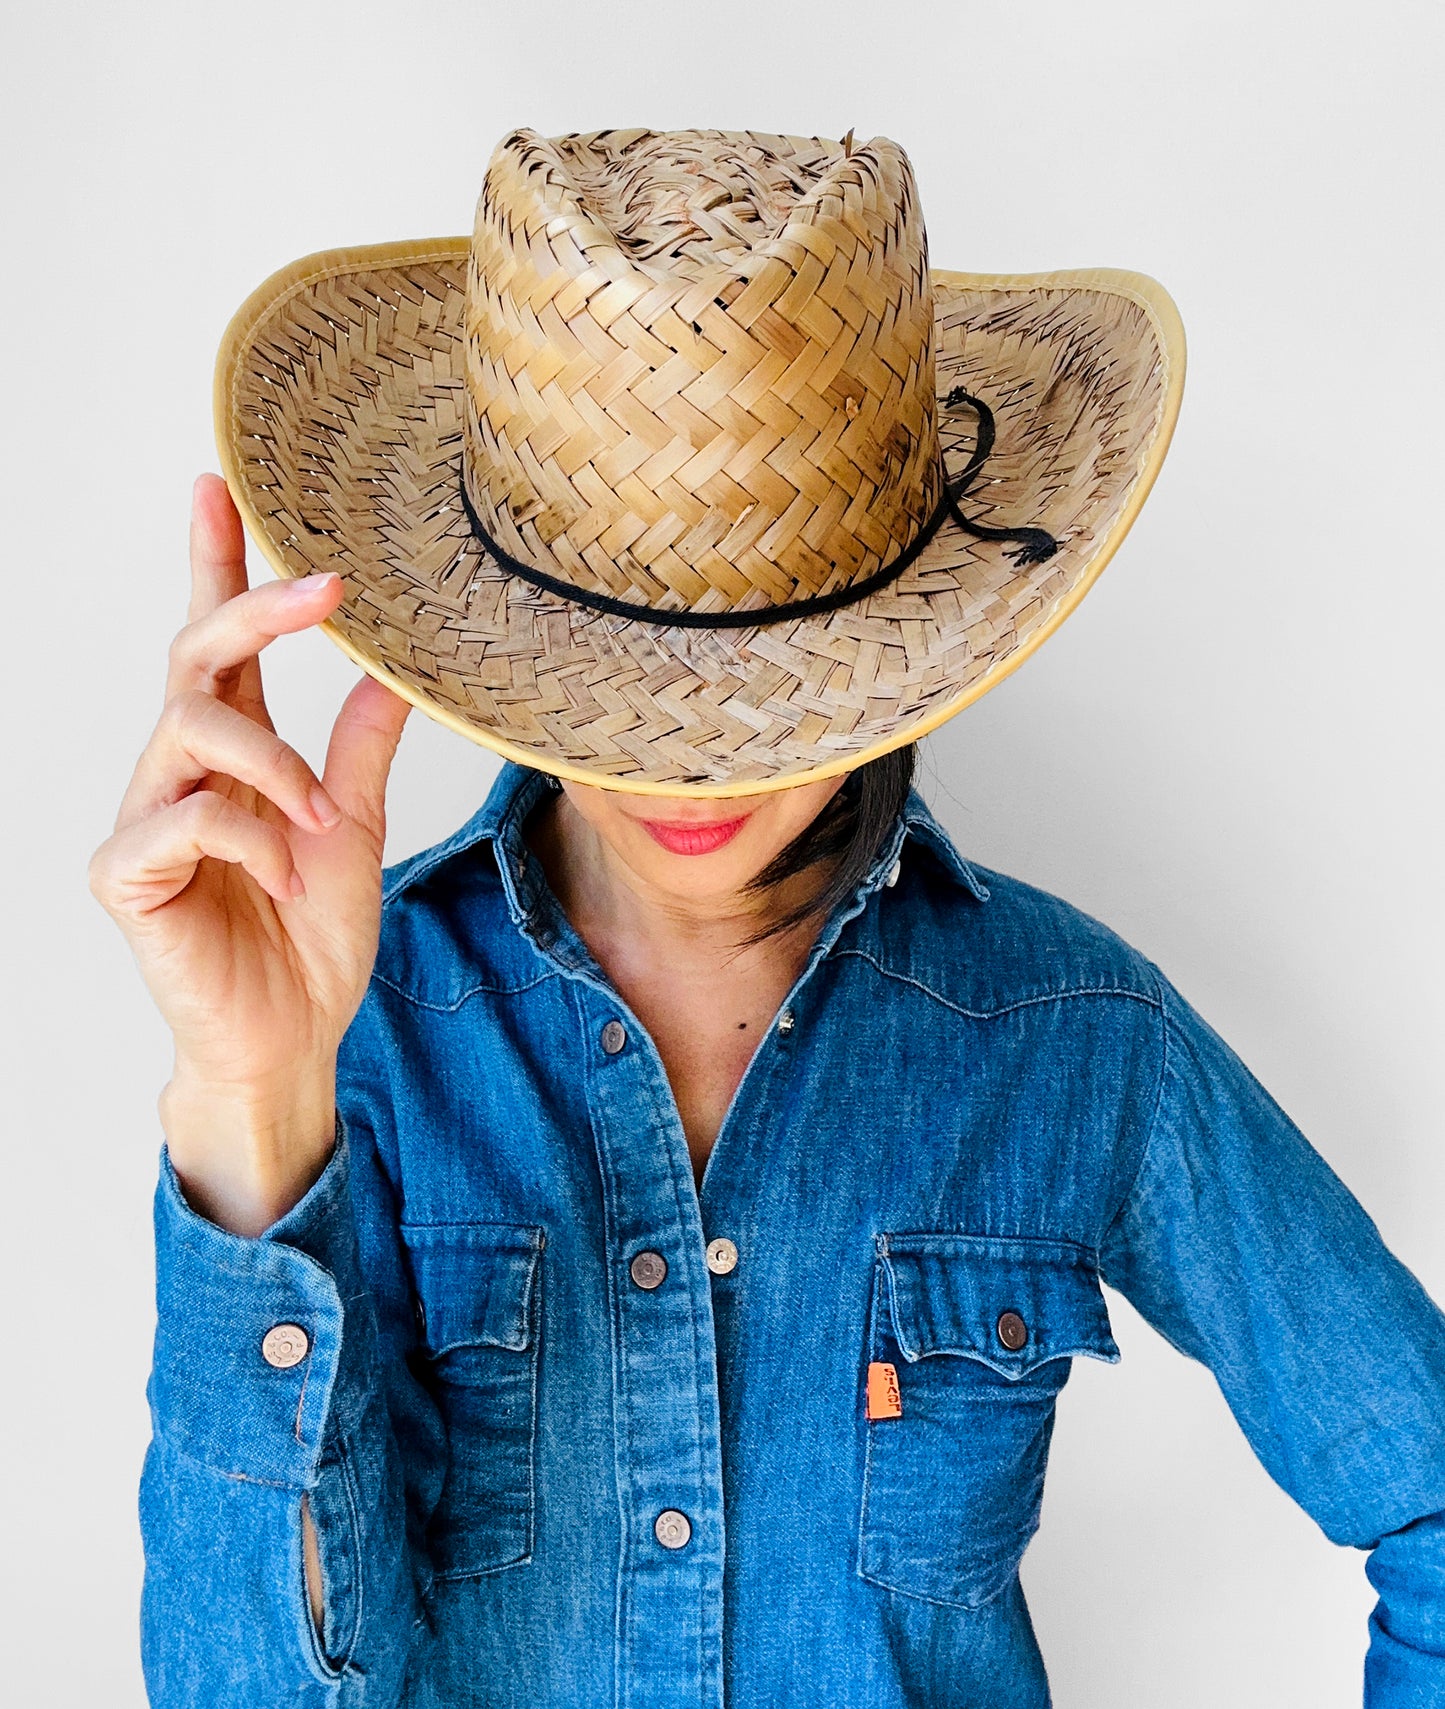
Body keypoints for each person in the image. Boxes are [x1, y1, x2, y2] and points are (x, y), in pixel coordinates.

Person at [90, 128, 1445, 1706]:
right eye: (618, 677)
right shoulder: (366, 1028)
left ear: (900, 628)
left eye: (751, 682)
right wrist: (251, 1103)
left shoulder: (1073, 1037)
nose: (688, 761)